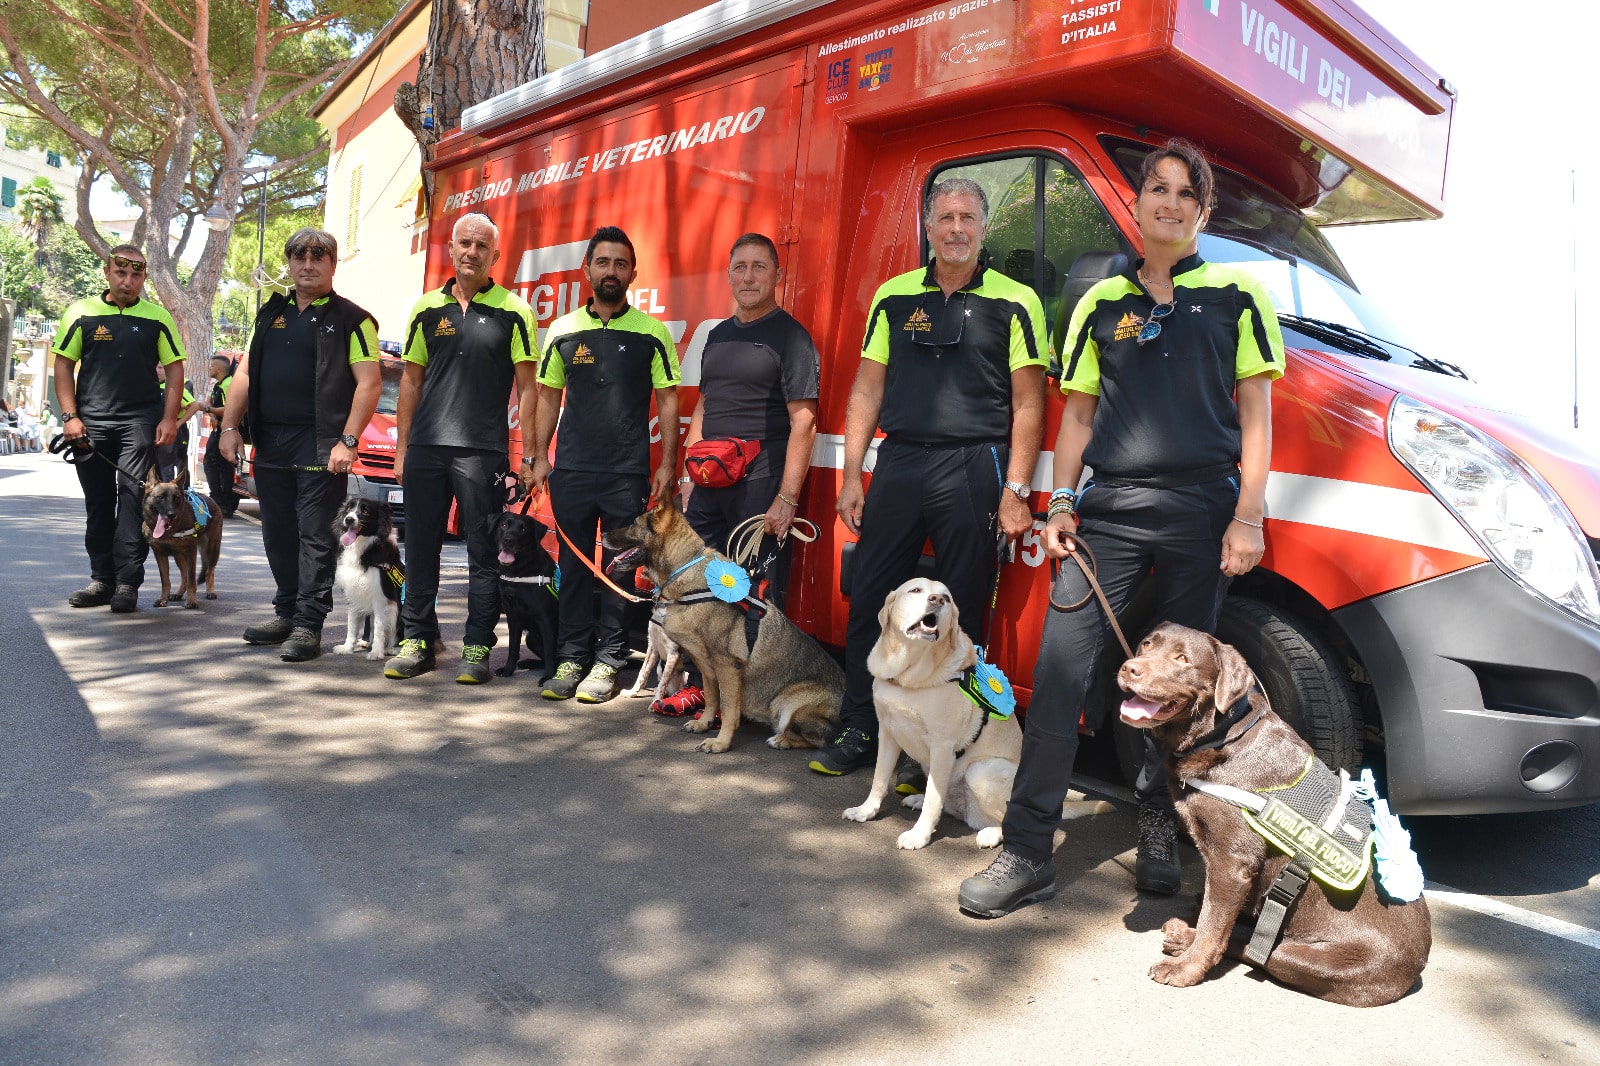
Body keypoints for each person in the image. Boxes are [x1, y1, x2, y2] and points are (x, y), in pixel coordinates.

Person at [958, 138, 1283, 918]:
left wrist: (1247, 516)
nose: (1169, 204)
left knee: (1173, 692)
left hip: (1203, 515)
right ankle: (1027, 850)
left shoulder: (1238, 295)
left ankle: (1160, 829)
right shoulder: (1101, 304)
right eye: (1157, 190)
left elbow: (1257, 416)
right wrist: (1060, 504)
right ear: (1136, 204)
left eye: (1185, 194)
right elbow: (1077, 414)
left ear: (1202, 212)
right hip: (1109, 517)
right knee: (1063, 675)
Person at [816, 178, 1048, 776]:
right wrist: (851, 476)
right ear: (928, 224)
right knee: (874, 595)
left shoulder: (1016, 300)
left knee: (959, 610)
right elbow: (867, 387)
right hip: (899, 461)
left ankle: (941, 752)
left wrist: (1016, 491)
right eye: (945, 217)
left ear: (984, 227)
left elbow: (1029, 404)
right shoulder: (894, 297)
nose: (956, 229)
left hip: (975, 464)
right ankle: (861, 729)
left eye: (968, 217)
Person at [656, 232, 820, 717]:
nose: (749, 277)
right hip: (708, 488)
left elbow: (805, 421)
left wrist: (786, 499)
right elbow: (705, 405)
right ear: (729, 276)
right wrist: (687, 477)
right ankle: (703, 690)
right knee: (698, 592)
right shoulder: (718, 336)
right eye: (740, 268)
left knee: (753, 600)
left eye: (759, 268)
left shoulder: (791, 337)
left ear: (777, 276)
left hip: (760, 488)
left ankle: (753, 698)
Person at [525, 225, 681, 704]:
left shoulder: (652, 334)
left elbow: (669, 402)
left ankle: (609, 662)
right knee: (572, 566)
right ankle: (572, 657)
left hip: (626, 473)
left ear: (633, 273)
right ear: (586, 270)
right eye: (603, 262)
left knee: (616, 569)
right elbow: (547, 399)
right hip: (570, 470)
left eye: (620, 264)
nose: (611, 271)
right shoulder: (564, 330)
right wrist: (538, 457)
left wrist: (667, 465)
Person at [385, 212, 539, 683]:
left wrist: (530, 456)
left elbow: (529, 389)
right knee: (421, 549)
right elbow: (410, 380)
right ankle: (416, 642)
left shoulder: (515, 310)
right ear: (451, 249)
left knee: (483, 555)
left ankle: (476, 648)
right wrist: (402, 448)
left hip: (482, 452)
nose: (471, 252)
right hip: (427, 449)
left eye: (481, 246)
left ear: (495, 256)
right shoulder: (426, 308)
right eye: (463, 244)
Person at [218, 228, 382, 662]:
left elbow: (369, 383)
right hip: (270, 443)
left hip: (321, 445)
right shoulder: (270, 314)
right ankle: (285, 612)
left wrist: (348, 441)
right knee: (277, 533)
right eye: (299, 257)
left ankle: (308, 623)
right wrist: (229, 427)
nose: (307, 264)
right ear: (289, 264)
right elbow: (245, 375)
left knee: (314, 537)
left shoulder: (354, 319)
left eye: (318, 256)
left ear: (332, 263)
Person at [51, 244, 185, 613]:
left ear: (145, 277)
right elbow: (63, 366)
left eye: (137, 275)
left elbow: (175, 369)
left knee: (132, 499)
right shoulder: (81, 312)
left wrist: (169, 419)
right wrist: (69, 417)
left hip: (139, 422)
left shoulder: (157, 317)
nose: (128, 282)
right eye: (121, 274)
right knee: (98, 502)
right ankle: (102, 580)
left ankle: (127, 583)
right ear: (108, 272)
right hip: (89, 424)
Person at [202, 353, 241, 516]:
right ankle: (216, 498)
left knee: (224, 467)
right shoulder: (218, 385)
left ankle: (223, 502)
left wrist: (207, 410)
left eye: (211, 366)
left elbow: (229, 408)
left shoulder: (228, 384)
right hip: (217, 429)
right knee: (210, 462)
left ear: (218, 368)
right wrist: (211, 414)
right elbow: (208, 402)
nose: (210, 368)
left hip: (227, 431)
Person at [154, 374, 203, 480]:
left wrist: (178, 423)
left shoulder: (173, 386)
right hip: (150, 432)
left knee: (168, 467)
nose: (158, 371)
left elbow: (194, 406)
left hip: (169, 434)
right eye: (156, 367)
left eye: (160, 368)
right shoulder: (150, 385)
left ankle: (173, 492)